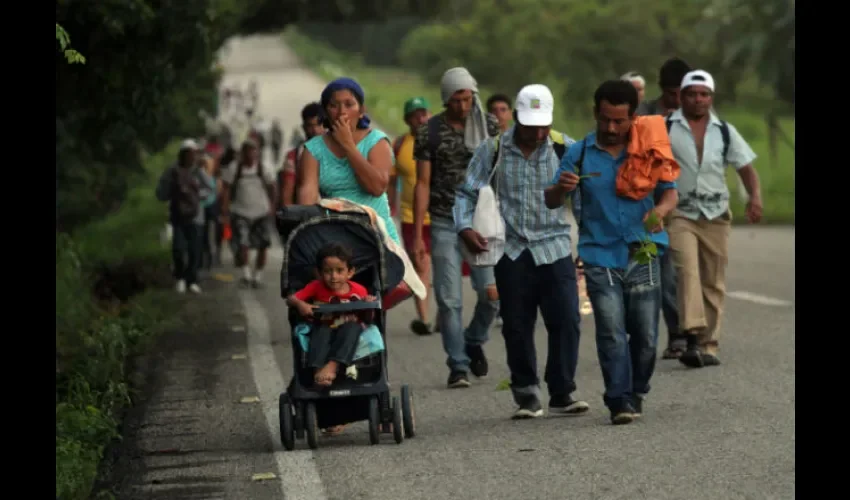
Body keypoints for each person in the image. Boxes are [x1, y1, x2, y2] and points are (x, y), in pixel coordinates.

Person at [548, 80, 679, 425]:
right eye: (604, 119)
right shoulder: (579, 153)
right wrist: (560, 189)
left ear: (633, 118)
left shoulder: (649, 148)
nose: (610, 128)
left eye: (618, 121)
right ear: (595, 113)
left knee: (647, 335)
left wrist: (660, 213)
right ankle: (618, 399)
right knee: (610, 329)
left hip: (644, 249)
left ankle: (636, 390)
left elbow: (670, 193)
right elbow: (551, 200)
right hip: (598, 253)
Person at [458, 84, 589, 419]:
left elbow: (585, 198)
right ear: (516, 118)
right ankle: (527, 393)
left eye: (544, 124)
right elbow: (467, 192)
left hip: (555, 246)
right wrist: (465, 228)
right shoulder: (494, 149)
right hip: (512, 250)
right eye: (532, 125)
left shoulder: (566, 149)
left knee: (567, 320)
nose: (539, 132)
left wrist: (587, 244)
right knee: (517, 324)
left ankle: (562, 390)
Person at [667, 70, 762, 368]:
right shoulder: (665, 127)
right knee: (687, 272)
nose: (698, 99)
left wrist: (754, 197)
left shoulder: (724, 130)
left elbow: (745, 167)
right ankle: (693, 336)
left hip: (716, 213)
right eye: (692, 94)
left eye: (704, 94)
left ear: (711, 97)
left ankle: (708, 345)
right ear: (681, 97)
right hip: (680, 212)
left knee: (713, 279)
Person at [412, 67, 500, 388]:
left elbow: (499, 171)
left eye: (467, 99)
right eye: (455, 100)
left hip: (482, 221)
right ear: (445, 100)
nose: (463, 107)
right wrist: (420, 235)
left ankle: (473, 339)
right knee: (449, 300)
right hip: (444, 220)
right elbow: (422, 182)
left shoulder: (489, 125)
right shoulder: (429, 133)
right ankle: (458, 364)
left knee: (492, 295)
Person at [635, 57, 692, 359]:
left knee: (686, 273)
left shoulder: (696, 115)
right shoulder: (644, 115)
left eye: (682, 92)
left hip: (686, 203)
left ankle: (689, 332)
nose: (678, 100)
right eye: (672, 93)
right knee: (665, 273)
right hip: (654, 202)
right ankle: (677, 334)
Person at [296, 77, 399, 244]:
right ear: (325, 112)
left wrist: (348, 146)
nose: (342, 112)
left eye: (349, 104)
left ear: (361, 110)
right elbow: (307, 198)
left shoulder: (377, 142)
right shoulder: (313, 150)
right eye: (334, 106)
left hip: (378, 238)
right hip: (336, 241)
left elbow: (377, 187)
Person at [287, 243, 376, 387]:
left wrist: (367, 304)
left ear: (350, 272)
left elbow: (368, 318)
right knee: (321, 331)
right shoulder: (316, 286)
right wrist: (301, 304)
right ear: (320, 272)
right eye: (328, 271)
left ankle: (332, 365)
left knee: (352, 328)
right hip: (324, 325)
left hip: (349, 328)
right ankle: (318, 369)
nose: (334, 276)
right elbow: (292, 298)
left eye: (340, 271)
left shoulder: (359, 290)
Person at [388, 97, 434, 336]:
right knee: (420, 264)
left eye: (424, 113)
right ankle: (424, 318)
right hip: (410, 217)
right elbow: (391, 179)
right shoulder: (399, 145)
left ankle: (445, 314)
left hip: (440, 215)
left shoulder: (438, 142)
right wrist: (388, 209)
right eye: (415, 114)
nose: (421, 118)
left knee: (446, 266)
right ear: (407, 119)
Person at [155, 139, 214, 294]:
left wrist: (196, 196)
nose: (190, 157)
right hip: (178, 216)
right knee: (179, 249)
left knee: (195, 250)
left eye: (193, 153)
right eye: (188, 153)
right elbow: (161, 191)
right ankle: (180, 278)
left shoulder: (198, 171)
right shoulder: (173, 171)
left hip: (196, 217)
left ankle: (192, 280)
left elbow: (210, 188)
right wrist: (175, 194)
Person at [220, 139, 277, 288]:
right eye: (248, 151)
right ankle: (246, 274)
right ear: (242, 153)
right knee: (242, 244)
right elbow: (226, 189)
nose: (251, 155)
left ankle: (257, 277)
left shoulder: (263, 168)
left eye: (254, 151)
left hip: (261, 212)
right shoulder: (234, 168)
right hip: (240, 212)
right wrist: (225, 209)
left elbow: (272, 187)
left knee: (263, 245)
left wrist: (272, 206)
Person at [280, 102, 326, 207]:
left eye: (319, 125)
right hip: (306, 214)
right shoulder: (294, 156)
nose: (315, 130)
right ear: (304, 127)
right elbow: (287, 191)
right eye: (310, 126)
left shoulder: (338, 152)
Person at [199, 153, 222, 271]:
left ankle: (211, 259)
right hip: (200, 210)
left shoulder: (215, 179)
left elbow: (218, 195)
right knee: (202, 235)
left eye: (206, 164)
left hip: (212, 210)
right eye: (202, 164)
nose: (204, 167)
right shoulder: (198, 178)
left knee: (211, 236)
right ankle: (203, 260)